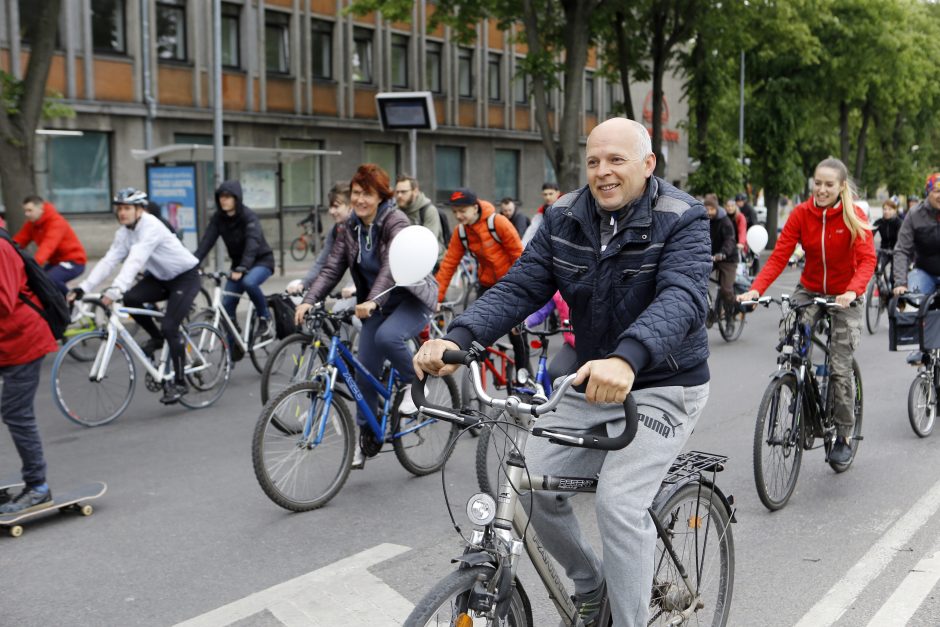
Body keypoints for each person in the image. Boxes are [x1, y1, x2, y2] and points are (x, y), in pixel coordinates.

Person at [415, 117, 712, 626]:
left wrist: (628, 357)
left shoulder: (682, 216)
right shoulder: (563, 216)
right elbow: (519, 286)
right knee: (526, 483)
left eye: (617, 160)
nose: (603, 172)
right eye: (594, 161)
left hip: (664, 382)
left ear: (648, 164)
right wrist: (458, 338)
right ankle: (590, 584)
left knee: (619, 505)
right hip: (590, 379)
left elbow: (681, 297)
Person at [293, 164, 437, 469]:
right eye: (356, 193)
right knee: (364, 372)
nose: (359, 200)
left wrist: (372, 300)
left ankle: (416, 383)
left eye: (366, 194)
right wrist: (308, 300)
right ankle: (367, 435)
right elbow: (332, 267)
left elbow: (390, 265)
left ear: (380, 196)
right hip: (377, 303)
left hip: (409, 297)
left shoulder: (393, 221)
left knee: (388, 337)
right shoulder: (350, 227)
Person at [739, 157, 876, 464]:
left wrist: (853, 290)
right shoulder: (802, 214)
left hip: (845, 295)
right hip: (811, 288)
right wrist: (756, 289)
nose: (822, 189)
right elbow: (778, 257)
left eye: (829, 185)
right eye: (818, 183)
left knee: (840, 366)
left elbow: (867, 260)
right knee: (790, 336)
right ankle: (799, 387)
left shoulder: (852, 216)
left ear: (841, 187)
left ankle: (843, 434)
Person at [70, 188, 202, 405]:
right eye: (119, 209)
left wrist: (116, 288)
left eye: (127, 208)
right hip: (161, 277)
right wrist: (83, 288)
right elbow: (109, 261)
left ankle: (180, 382)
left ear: (139, 210)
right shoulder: (124, 233)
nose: (122, 213)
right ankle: (157, 338)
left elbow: (136, 259)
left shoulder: (151, 227)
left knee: (170, 326)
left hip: (185, 277)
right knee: (131, 299)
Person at [435, 187, 528, 372]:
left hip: (511, 283)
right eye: (455, 212)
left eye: (462, 211)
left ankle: (523, 376)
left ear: (475, 208)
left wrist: (522, 290)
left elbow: (520, 256)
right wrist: (436, 298)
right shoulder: (461, 232)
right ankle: (484, 368)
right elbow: (448, 265)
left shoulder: (498, 223)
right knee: (478, 328)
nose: (458, 216)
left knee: (516, 334)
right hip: (486, 285)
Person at [0, 229, 60, 514]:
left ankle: (38, 487)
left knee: (16, 413)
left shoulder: (0, 248)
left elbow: (3, 301)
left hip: (23, 340)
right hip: (4, 342)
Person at [194, 181, 276, 357]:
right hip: (239, 266)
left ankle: (265, 318)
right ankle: (233, 348)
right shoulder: (218, 218)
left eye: (228, 197)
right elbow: (206, 242)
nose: (224, 200)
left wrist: (243, 266)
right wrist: (193, 263)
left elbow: (253, 244)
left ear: (236, 198)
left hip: (261, 261)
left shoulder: (249, 216)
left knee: (249, 282)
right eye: (221, 197)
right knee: (226, 307)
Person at [288, 182, 356, 298]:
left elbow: (368, 267)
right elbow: (322, 262)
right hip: (349, 292)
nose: (331, 211)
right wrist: (305, 283)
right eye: (330, 207)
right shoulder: (336, 230)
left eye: (336, 206)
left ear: (350, 206)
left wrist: (354, 286)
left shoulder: (362, 228)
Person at [13, 195, 87, 295]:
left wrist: (33, 266)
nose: (27, 214)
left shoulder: (56, 222)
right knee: (36, 282)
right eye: (25, 211)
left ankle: (70, 300)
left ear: (41, 208)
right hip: (55, 263)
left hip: (74, 261)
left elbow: (47, 247)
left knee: (51, 280)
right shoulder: (32, 224)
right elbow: (17, 241)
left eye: (30, 210)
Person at [893, 174, 940, 298]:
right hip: (924, 272)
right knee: (909, 302)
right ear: (928, 192)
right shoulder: (914, 214)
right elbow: (902, 250)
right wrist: (900, 283)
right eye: (937, 191)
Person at [393, 174, 446, 265]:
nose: (399, 195)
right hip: (406, 260)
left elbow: (428, 243)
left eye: (403, 192)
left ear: (415, 191)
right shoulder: (395, 212)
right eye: (397, 192)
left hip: (433, 262)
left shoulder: (428, 210)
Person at [525, 291, 577, 383]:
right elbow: (541, 312)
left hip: (597, 345)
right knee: (554, 374)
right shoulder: (558, 290)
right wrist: (524, 323)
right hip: (572, 344)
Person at [706, 194, 738, 318]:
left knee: (726, 290)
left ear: (716, 208)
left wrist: (723, 253)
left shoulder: (725, 221)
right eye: (706, 208)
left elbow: (730, 240)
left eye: (711, 209)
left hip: (728, 259)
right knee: (696, 278)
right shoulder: (704, 220)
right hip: (711, 257)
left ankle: (731, 316)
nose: (708, 211)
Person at [522, 182, 562, 246]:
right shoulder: (542, 210)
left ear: (558, 193)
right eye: (545, 194)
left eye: (550, 194)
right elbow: (532, 230)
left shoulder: (566, 207)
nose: (548, 197)